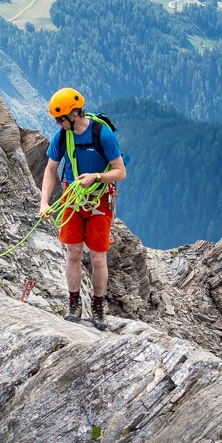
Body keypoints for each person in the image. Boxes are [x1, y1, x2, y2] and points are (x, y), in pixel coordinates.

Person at [38, 87, 127, 329]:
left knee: (98, 258)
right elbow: (50, 170)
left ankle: (98, 307)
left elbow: (121, 172)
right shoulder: (62, 136)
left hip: (99, 200)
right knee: (73, 253)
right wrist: (44, 202)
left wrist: (96, 177)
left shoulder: (103, 134)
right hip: (72, 199)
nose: (58, 123)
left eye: (61, 118)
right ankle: (74, 303)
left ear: (74, 115)